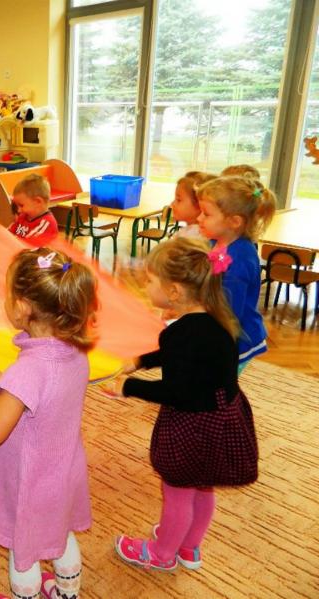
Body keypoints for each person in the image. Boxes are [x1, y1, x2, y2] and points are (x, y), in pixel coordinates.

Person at [111, 237, 258, 572]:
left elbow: (177, 391)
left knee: (177, 492)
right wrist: (142, 361)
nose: (146, 286)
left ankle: (161, 554)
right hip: (222, 417)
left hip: (193, 425)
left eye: (150, 281)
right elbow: (182, 358)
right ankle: (189, 547)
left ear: (174, 291)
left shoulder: (180, 334)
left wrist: (129, 387)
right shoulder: (218, 321)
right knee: (203, 487)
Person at [0, 249, 97, 599]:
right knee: (61, 534)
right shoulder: (75, 352)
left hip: (30, 481)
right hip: (64, 472)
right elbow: (49, 395)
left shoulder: (29, 371)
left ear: (22, 308)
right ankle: (67, 593)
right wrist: (11, 386)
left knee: (23, 548)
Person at [196, 176, 275, 370]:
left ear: (234, 221)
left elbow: (229, 312)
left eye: (206, 214)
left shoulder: (240, 259)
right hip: (217, 328)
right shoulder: (214, 242)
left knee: (217, 381)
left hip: (236, 337)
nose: (199, 218)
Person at [8, 174, 59, 247]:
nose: (18, 210)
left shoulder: (47, 223)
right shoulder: (23, 216)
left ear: (38, 202)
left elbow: (27, 246)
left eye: (21, 205)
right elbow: (8, 233)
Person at [170, 171, 216, 239]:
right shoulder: (187, 232)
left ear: (199, 204)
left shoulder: (194, 238)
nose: (172, 204)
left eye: (179, 200)